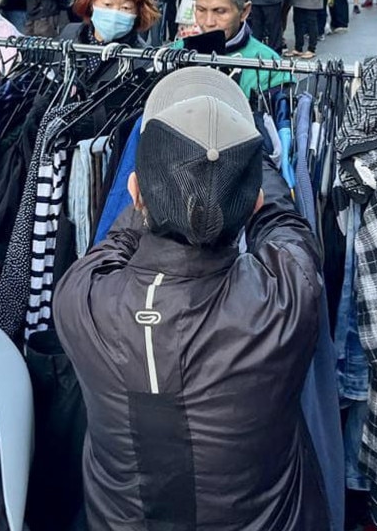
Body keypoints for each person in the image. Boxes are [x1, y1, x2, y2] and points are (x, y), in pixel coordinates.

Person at [53, 67, 321, 531]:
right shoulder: (287, 299)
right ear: (253, 200)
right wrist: (245, 179)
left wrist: (161, 198)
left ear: (135, 192)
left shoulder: (81, 297)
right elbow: (285, 227)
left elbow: (115, 245)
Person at [184, 0, 291, 98]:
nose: (209, 22)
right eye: (201, 10)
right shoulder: (177, 52)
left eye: (220, 11)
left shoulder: (272, 68)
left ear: (244, 11)